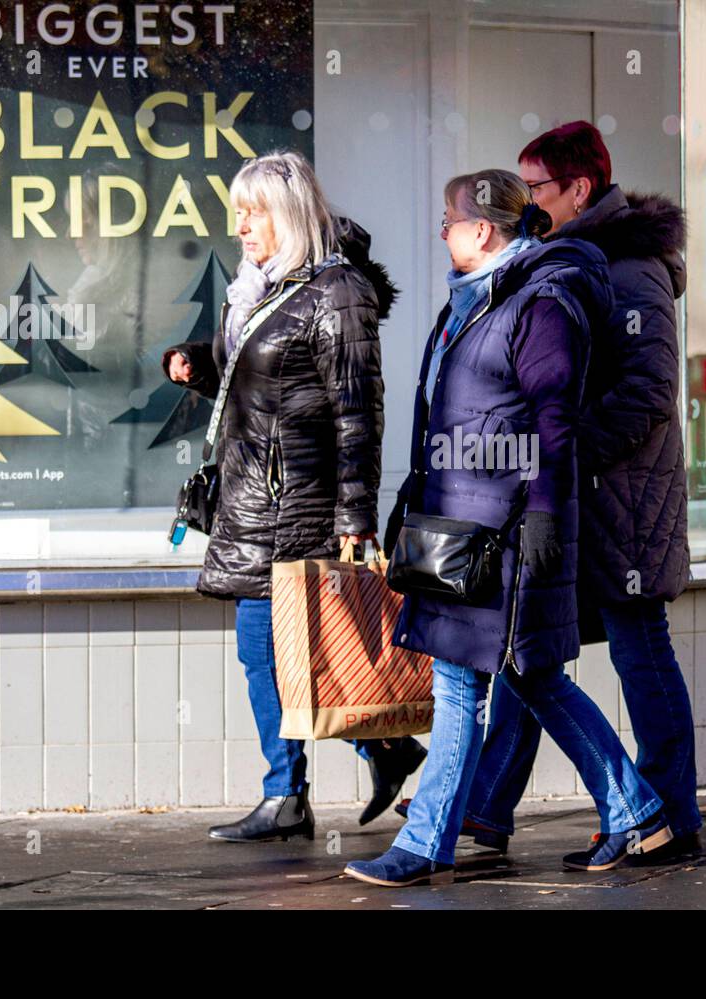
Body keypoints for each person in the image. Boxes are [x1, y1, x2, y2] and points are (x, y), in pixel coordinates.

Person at [343, 169, 673, 888]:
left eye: (449, 220)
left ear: (485, 229)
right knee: (534, 678)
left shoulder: (542, 303)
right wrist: (412, 494)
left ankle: (428, 841)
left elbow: (554, 423)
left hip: (509, 532)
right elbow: (444, 411)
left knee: (467, 685)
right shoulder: (474, 302)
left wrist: (547, 517)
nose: (442, 231)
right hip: (463, 523)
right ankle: (639, 811)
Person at [441, 121, 703, 863]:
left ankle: (667, 816)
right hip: (582, 497)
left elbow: (650, 391)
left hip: (623, 501)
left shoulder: (632, 270)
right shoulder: (572, 260)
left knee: (637, 649)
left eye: (538, 189)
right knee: (532, 650)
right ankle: (489, 808)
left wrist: (567, 448)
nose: (526, 203)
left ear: (579, 190)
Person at [162, 151, 426, 842]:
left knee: (280, 650)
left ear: (288, 215)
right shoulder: (260, 286)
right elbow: (258, 366)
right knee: (281, 653)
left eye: (253, 213)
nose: (242, 228)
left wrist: (357, 515)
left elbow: (359, 408)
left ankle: (293, 792)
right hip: (255, 499)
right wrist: (200, 360)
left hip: (300, 506)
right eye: (238, 214)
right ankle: (376, 753)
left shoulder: (337, 291)